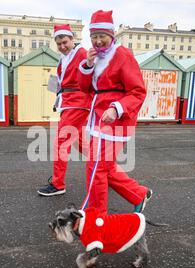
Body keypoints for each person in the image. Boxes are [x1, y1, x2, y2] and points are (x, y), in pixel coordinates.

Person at [77, 10, 153, 214]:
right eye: (94, 36)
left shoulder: (122, 55)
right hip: (98, 121)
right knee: (105, 167)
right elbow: (85, 88)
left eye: (102, 36)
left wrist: (116, 108)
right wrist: (88, 65)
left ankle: (96, 217)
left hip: (115, 122)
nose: (98, 41)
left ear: (111, 35)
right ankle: (138, 194)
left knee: (96, 168)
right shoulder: (93, 57)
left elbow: (138, 91)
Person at [38, 24, 91, 197]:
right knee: (82, 143)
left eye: (65, 42)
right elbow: (63, 82)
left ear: (72, 39)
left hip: (78, 102)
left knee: (61, 142)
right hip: (68, 102)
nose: (62, 46)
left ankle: (58, 183)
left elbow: (92, 74)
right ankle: (108, 172)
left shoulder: (82, 53)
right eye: (58, 43)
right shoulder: (63, 59)